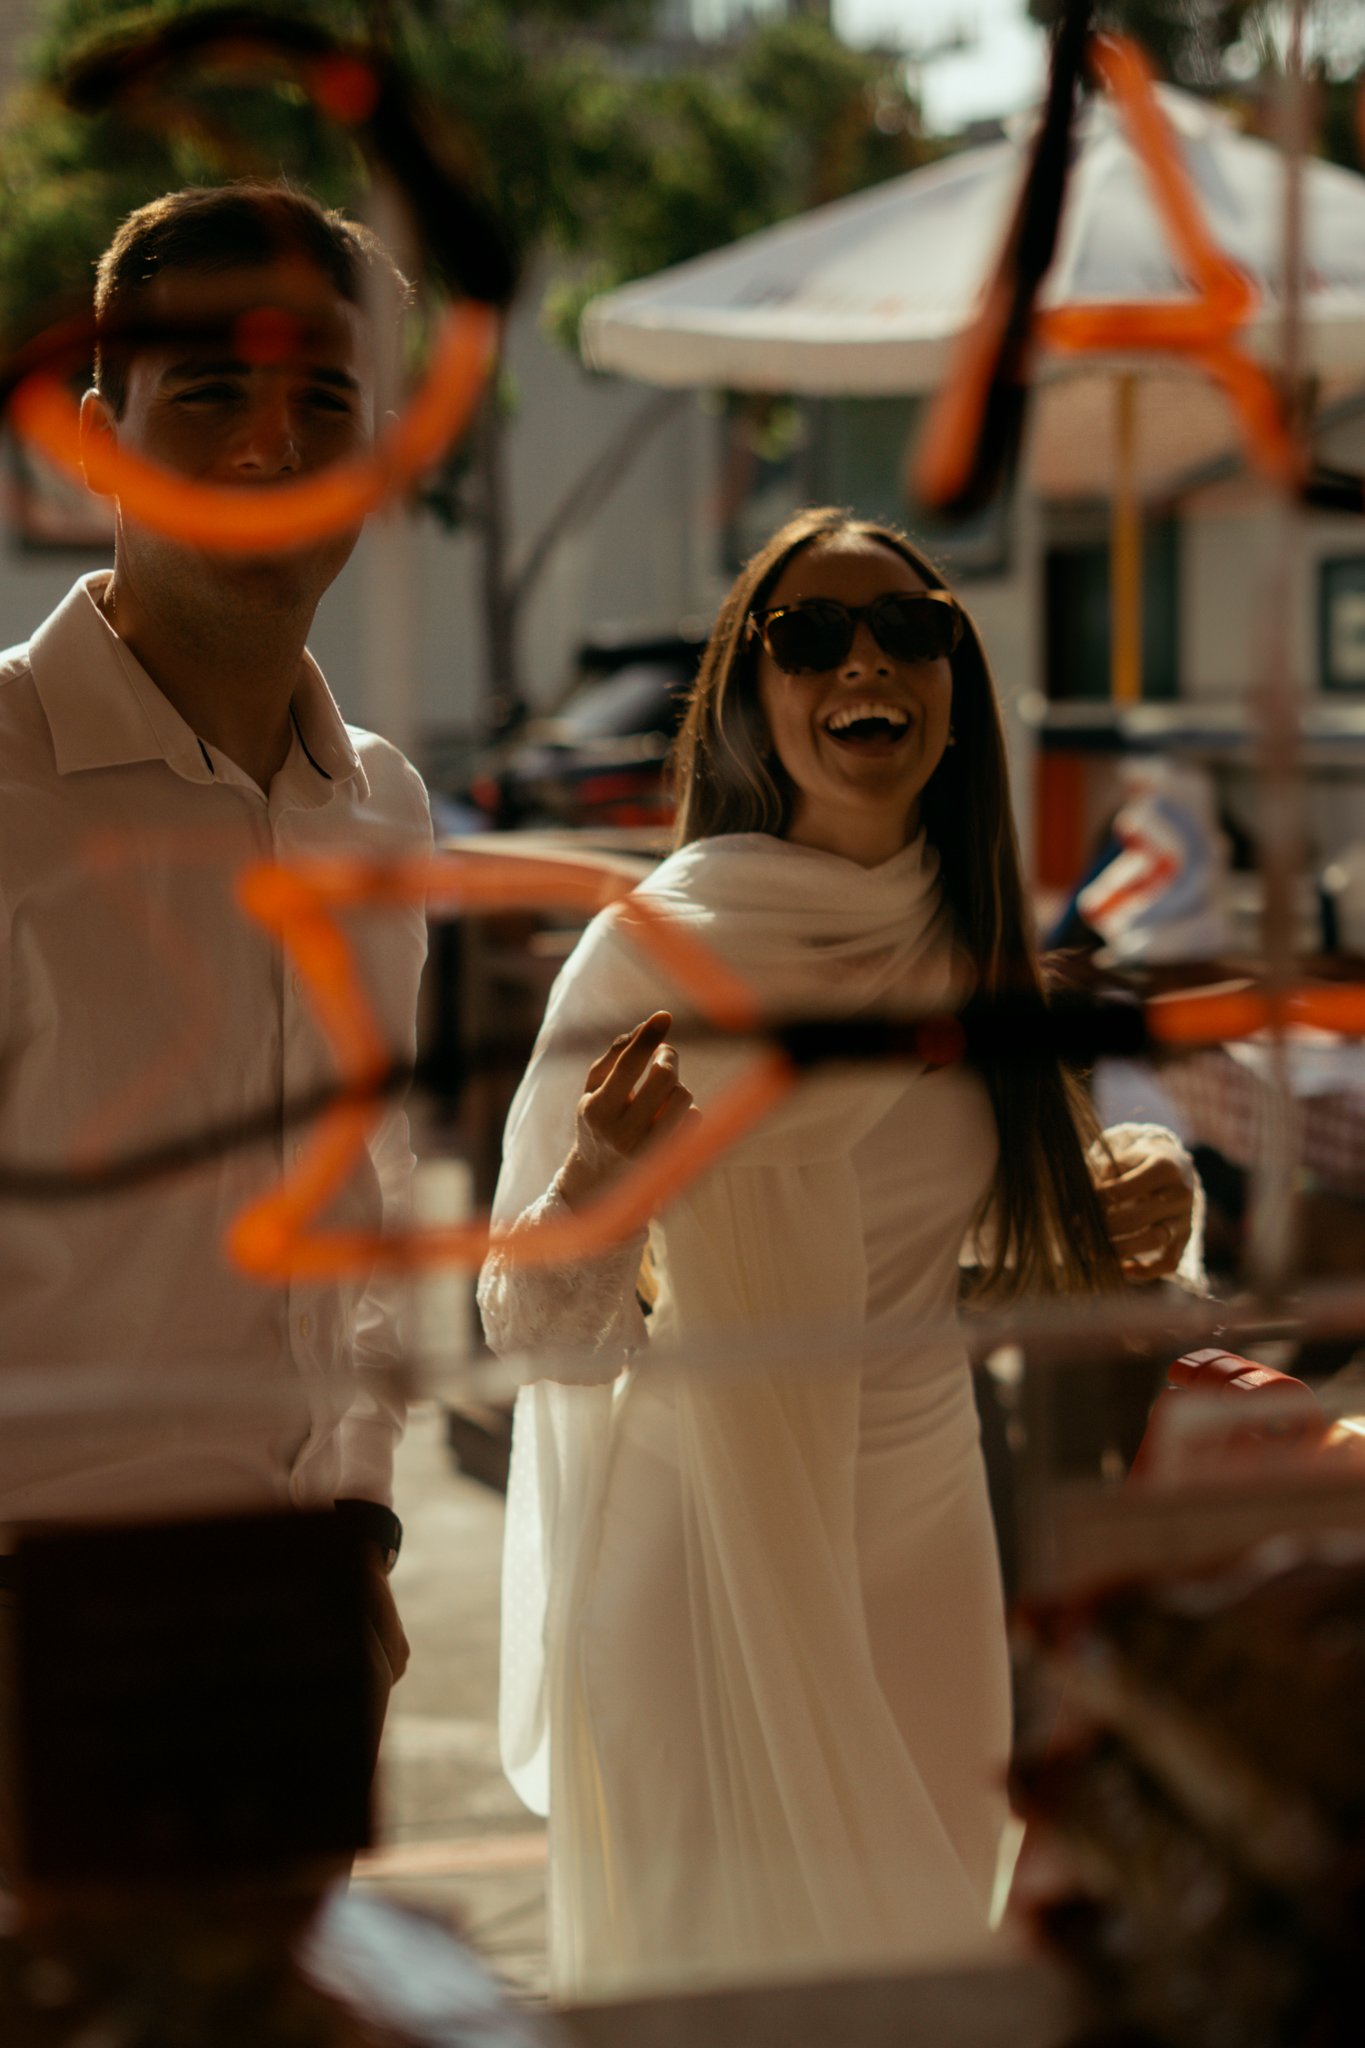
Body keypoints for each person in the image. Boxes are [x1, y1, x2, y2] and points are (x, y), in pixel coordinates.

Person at [478, 506, 1198, 1999]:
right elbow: (529, 1328)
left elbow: (1026, 1242)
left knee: (918, 1977)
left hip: (924, 1540)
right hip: (694, 1545)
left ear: (953, 677)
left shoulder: (978, 943)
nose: (861, 659)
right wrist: (606, 1177)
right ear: (751, 694)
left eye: (907, 626)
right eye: (806, 635)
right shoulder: (652, 953)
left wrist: (1150, 1202)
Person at [0, 184, 431, 1815]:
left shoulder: (379, 805)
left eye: (325, 401)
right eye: (211, 399)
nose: (272, 449)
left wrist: (364, 1526)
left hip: (300, 1621)